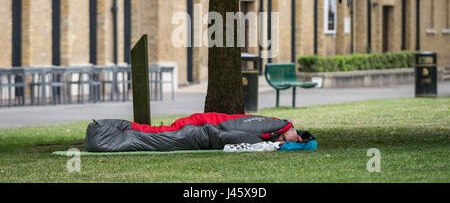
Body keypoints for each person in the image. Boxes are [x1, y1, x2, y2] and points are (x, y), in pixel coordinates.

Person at [84, 112, 309, 152]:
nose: (281, 141)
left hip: (199, 124)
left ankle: (115, 128)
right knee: (158, 135)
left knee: (157, 133)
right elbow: (226, 133)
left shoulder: (268, 126)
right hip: (197, 125)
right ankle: (106, 129)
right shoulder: (266, 125)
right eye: (283, 138)